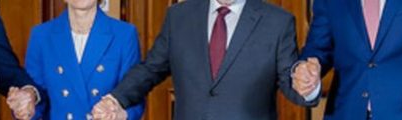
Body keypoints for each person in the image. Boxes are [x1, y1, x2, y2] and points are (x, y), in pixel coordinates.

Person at [90, 0, 319, 119]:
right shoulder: (178, 16)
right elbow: (151, 69)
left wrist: (308, 84)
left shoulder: (277, 22)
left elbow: (292, 81)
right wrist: (116, 99)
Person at [23, 0, 144, 119]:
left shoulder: (125, 35)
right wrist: (24, 107)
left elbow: (134, 99)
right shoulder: (41, 36)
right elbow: (35, 99)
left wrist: (120, 115)